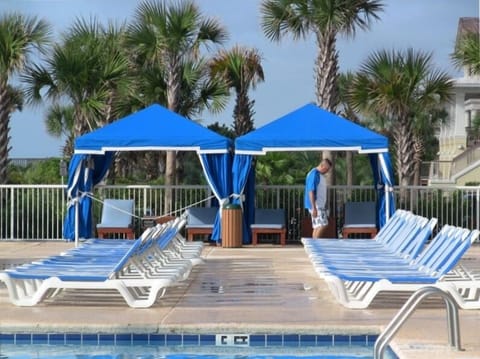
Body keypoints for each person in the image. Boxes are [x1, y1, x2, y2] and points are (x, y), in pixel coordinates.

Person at [304, 158, 332, 238]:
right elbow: (311, 190)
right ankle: (316, 243)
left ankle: (314, 244)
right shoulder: (314, 174)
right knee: (323, 224)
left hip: (318, 205)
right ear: (322, 166)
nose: (327, 171)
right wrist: (314, 208)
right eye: (326, 169)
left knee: (317, 226)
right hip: (316, 205)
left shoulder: (317, 174)